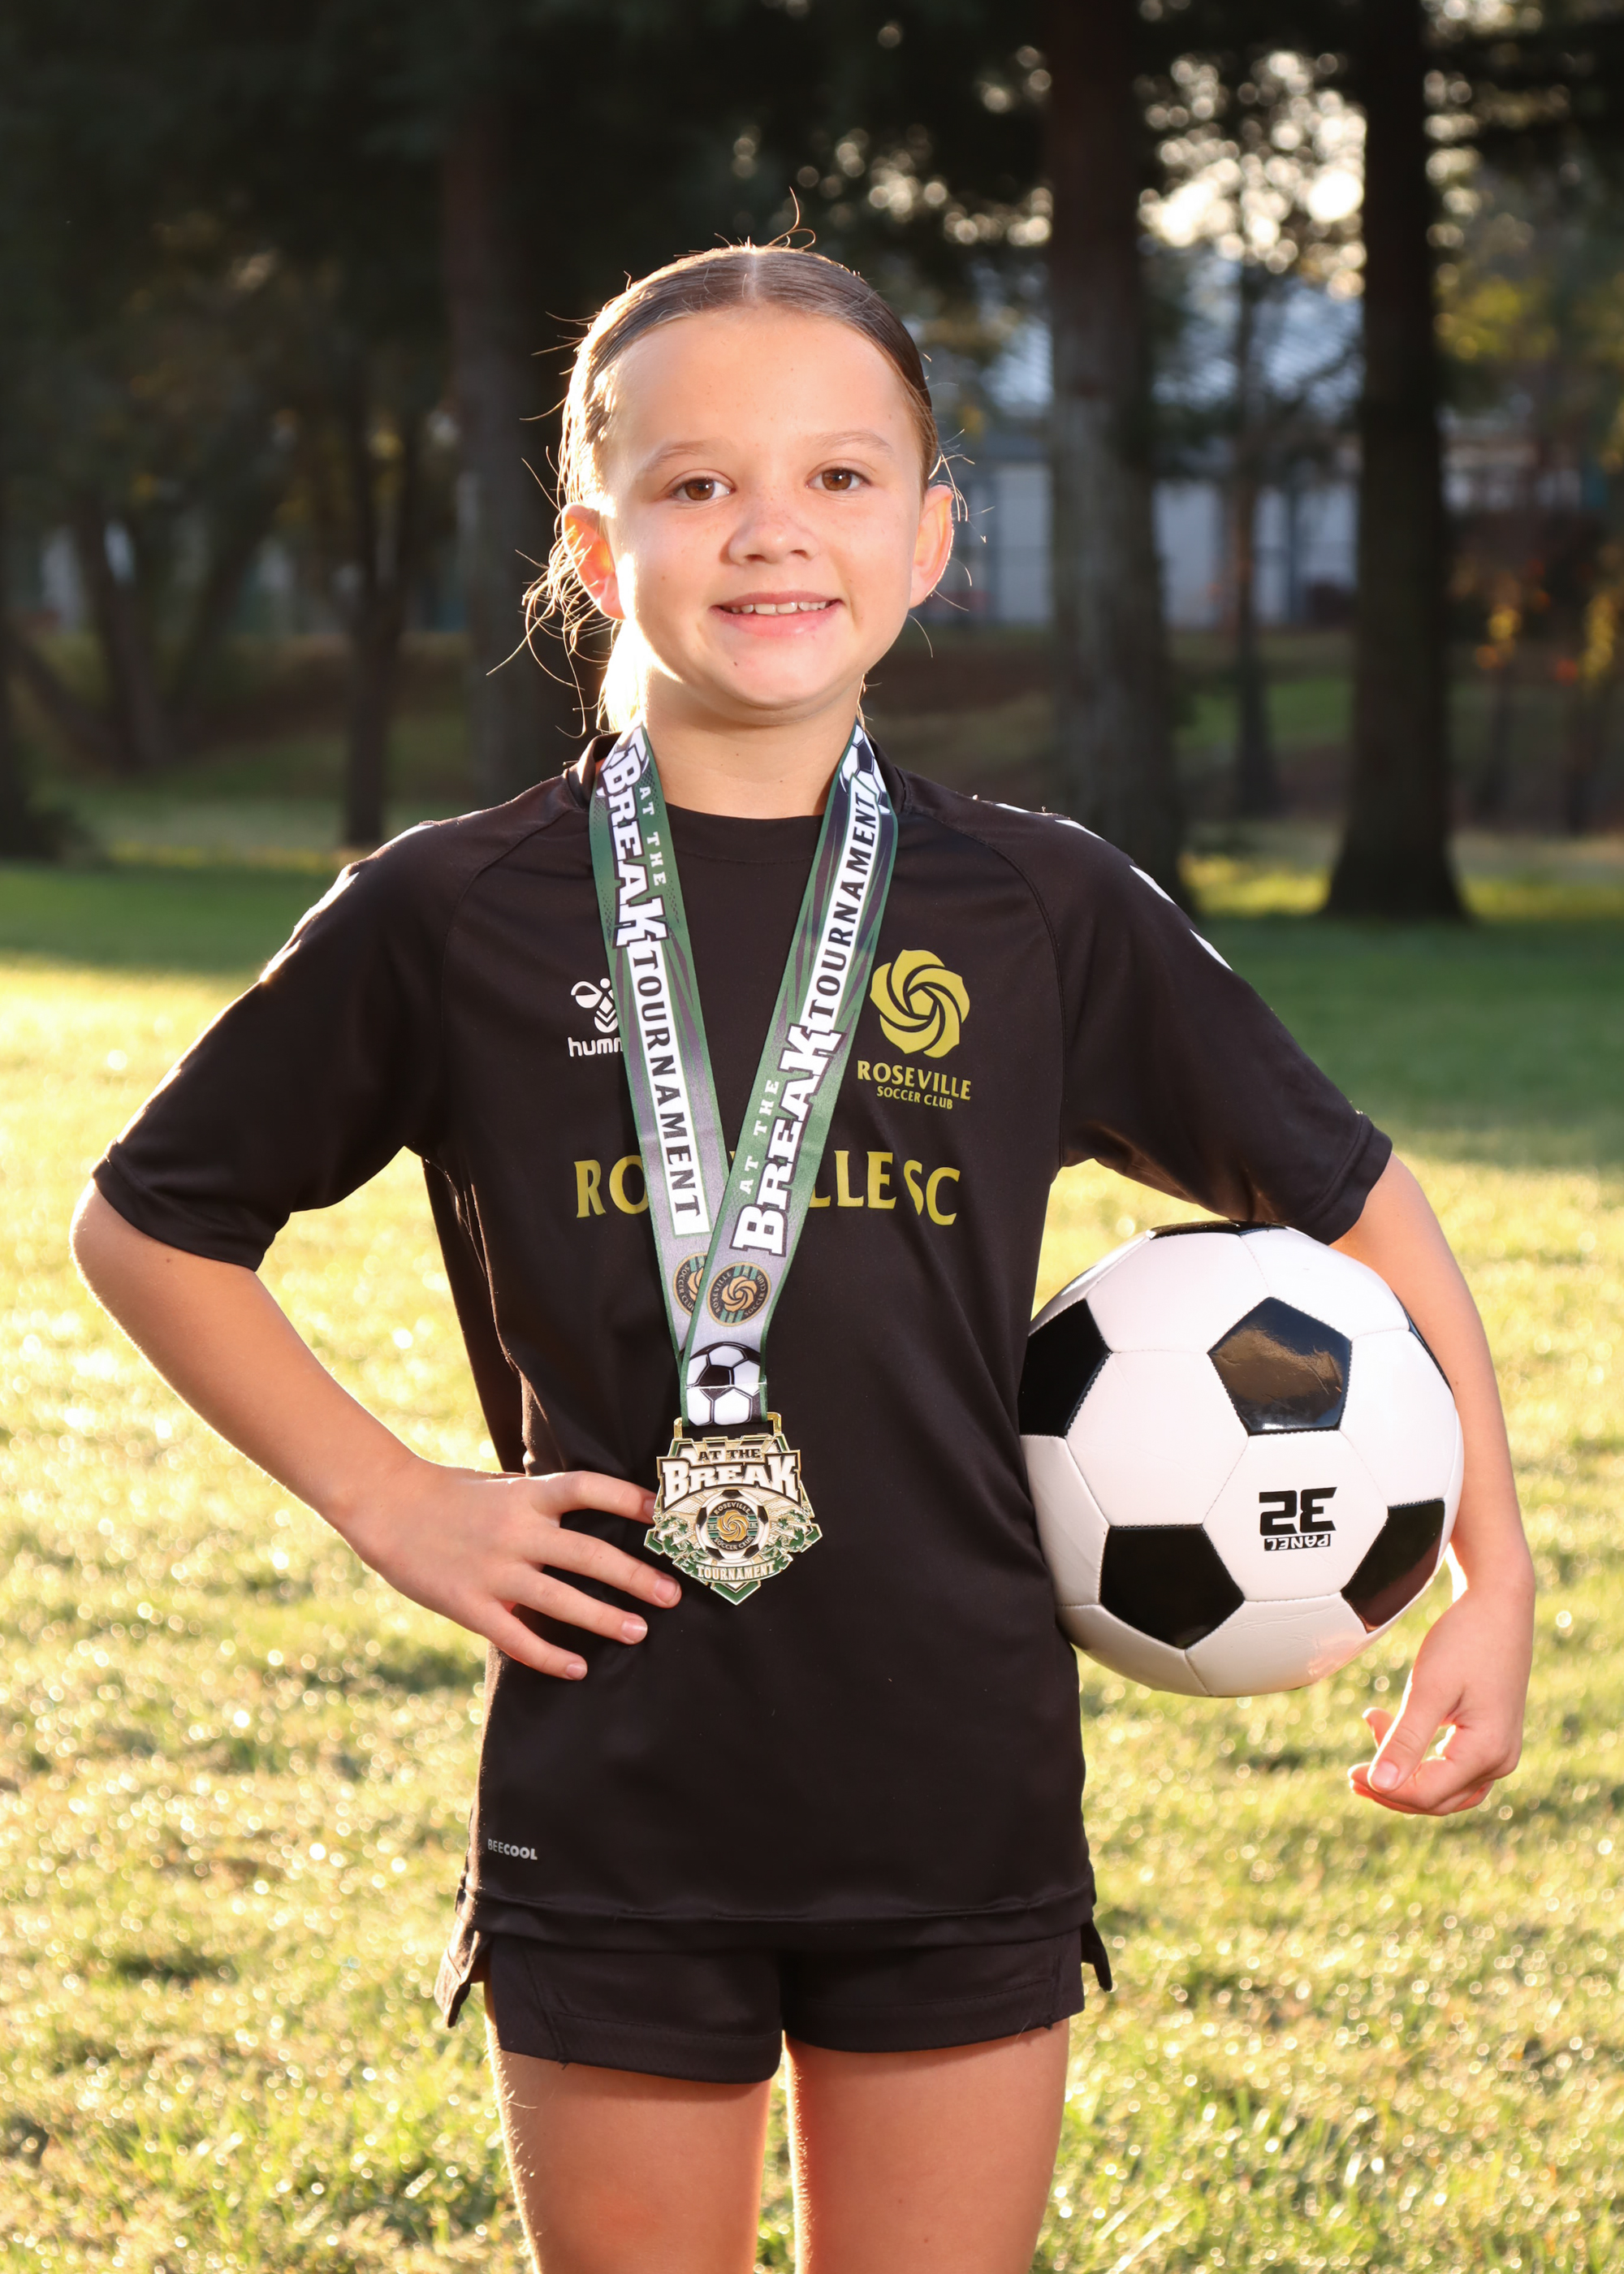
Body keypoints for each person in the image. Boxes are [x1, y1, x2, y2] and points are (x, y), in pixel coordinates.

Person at [71, 244, 1535, 2274]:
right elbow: (149, 1221)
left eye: (840, 477)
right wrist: (391, 1494)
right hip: (615, 1777)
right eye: (697, 483)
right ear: (595, 546)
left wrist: (1495, 1564)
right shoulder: (452, 912)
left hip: (951, 1779)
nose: (771, 529)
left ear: (929, 537)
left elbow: (1354, 1198)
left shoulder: (1039, 906)